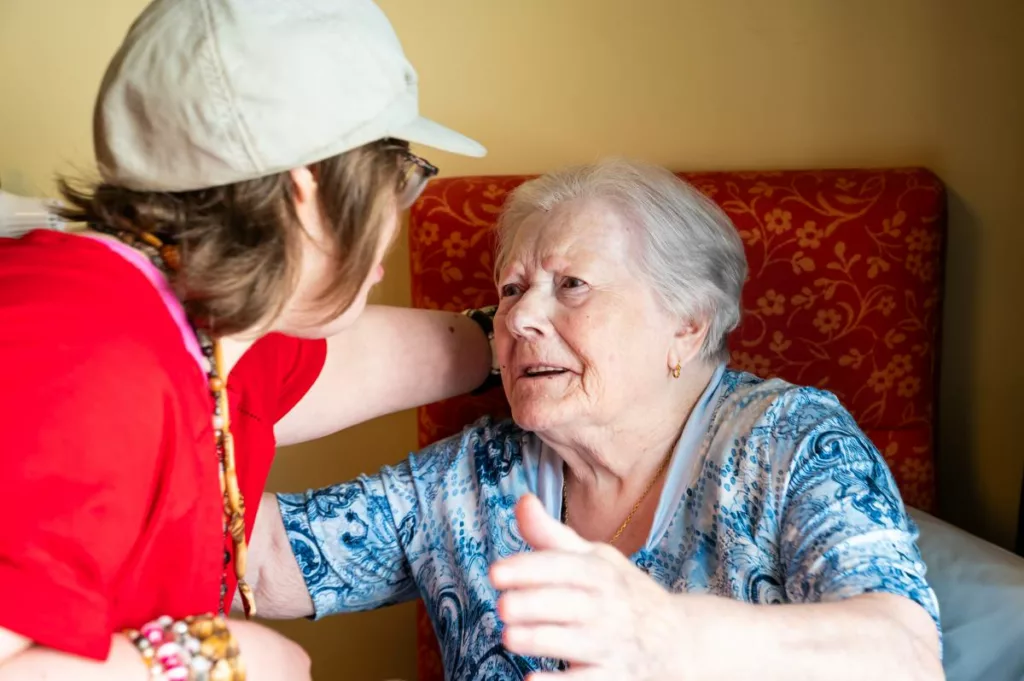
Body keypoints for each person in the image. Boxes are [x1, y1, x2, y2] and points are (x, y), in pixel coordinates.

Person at [250, 159, 944, 681]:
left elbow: (905, 653)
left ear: (687, 324)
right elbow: (269, 556)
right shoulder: (477, 470)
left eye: (572, 285)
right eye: (511, 290)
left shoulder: (788, 442)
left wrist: (669, 635)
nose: (519, 318)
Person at [0, 1, 499, 679]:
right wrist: (218, 660)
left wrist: (515, 339)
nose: (397, 214)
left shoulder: (200, 320)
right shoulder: (83, 362)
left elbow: (342, 365)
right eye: (399, 175)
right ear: (307, 186)